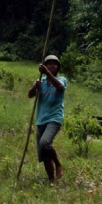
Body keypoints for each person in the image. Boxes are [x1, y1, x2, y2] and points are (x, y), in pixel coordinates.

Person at [28, 54, 67, 183]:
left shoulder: (61, 79)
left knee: (45, 143)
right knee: (43, 154)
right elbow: (30, 95)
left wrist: (47, 73)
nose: (52, 65)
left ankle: (58, 164)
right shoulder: (42, 81)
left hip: (54, 118)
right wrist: (35, 87)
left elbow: (60, 87)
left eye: (54, 64)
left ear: (58, 67)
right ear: (45, 65)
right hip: (41, 119)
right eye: (49, 63)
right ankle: (51, 181)